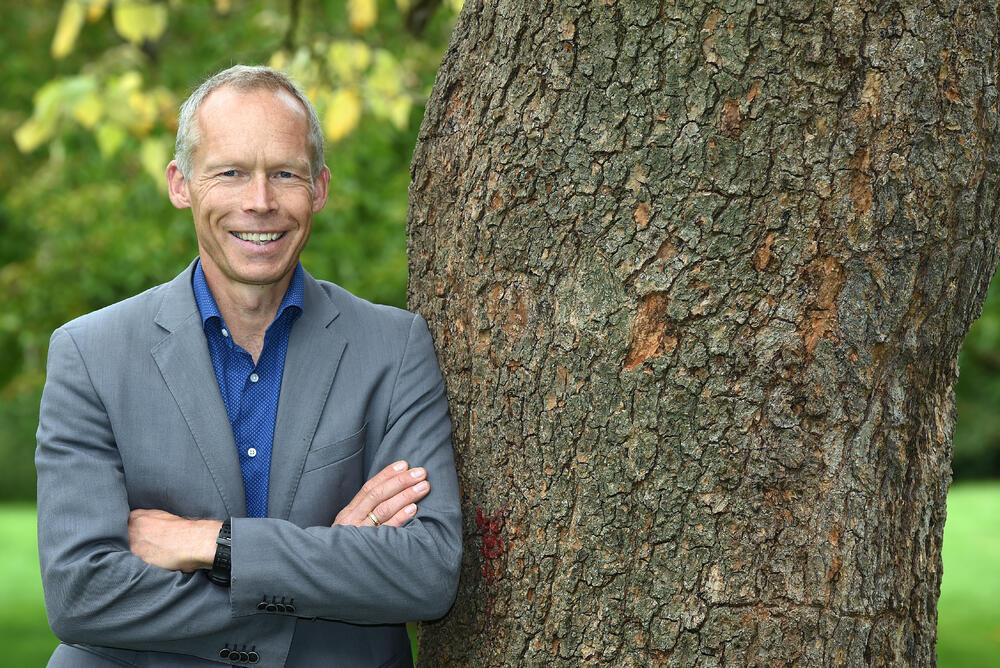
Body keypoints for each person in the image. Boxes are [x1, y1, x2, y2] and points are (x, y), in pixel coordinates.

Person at [35, 65, 461, 667]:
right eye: (230, 172)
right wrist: (324, 573)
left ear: (319, 189)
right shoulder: (90, 354)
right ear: (181, 184)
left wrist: (212, 544)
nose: (259, 202)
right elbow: (80, 594)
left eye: (285, 174)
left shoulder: (393, 348)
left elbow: (426, 573)